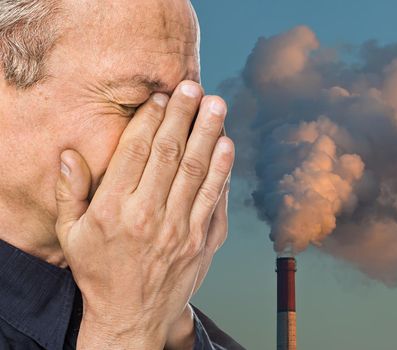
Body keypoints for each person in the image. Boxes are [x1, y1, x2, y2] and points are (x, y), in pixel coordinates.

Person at [0, 0, 244, 349]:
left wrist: (171, 319)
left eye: (188, 108)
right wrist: (125, 330)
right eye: (133, 104)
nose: (179, 140)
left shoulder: (183, 327)